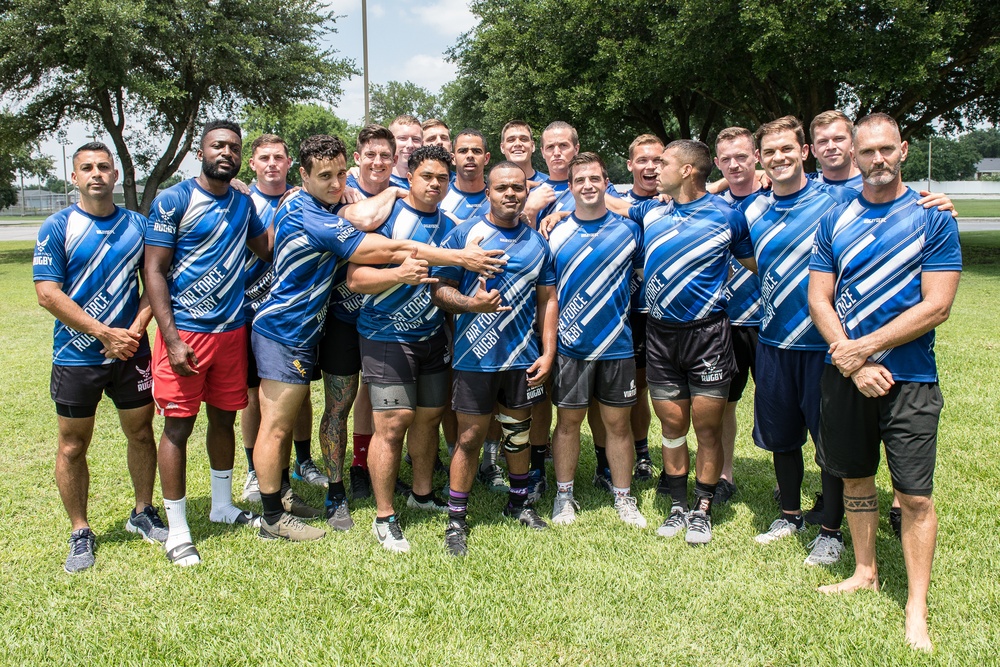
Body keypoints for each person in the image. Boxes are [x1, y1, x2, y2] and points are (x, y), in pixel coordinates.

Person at [252, 138, 504, 543]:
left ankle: (281, 498)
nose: (336, 184)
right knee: (279, 426)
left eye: (339, 175)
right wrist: (454, 259)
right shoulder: (312, 213)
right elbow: (388, 250)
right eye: (325, 177)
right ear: (302, 177)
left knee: (313, 417)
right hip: (285, 329)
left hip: (313, 328)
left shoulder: (323, 206)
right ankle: (274, 516)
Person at [809, 112, 961, 652]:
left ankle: (916, 606)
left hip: (911, 377)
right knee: (854, 479)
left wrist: (864, 350)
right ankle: (865, 570)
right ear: (853, 152)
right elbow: (819, 298)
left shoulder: (932, 217)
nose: (876, 159)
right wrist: (850, 362)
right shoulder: (834, 219)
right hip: (847, 374)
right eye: (866, 150)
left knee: (915, 497)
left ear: (902, 151)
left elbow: (938, 306)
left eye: (886, 150)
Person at [348, 145, 506, 552]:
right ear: (410, 177)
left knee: (429, 417)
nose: (434, 184)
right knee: (394, 422)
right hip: (386, 335)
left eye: (441, 178)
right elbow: (355, 279)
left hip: (433, 337)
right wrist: (398, 274)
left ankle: (421, 493)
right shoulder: (389, 219)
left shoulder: (453, 225)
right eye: (426, 176)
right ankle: (385, 517)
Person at [144, 119, 273, 566]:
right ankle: (177, 530)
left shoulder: (242, 203)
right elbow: (154, 271)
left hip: (232, 332)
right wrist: (172, 339)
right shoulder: (174, 200)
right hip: (187, 335)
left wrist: (302, 208)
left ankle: (221, 506)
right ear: (201, 152)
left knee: (224, 421)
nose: (226, 152)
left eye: (234, 147)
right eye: (218, 145)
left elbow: (269, 249)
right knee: (178, 427)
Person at [34, 141, 165, 573]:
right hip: (76, 355)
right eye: (87, 167)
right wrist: (102, 332)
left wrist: (135, 328)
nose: (96, 174)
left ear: (115, 175)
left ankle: (143, 511)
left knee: (142, 433)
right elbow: (47, 294)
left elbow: (156, 280)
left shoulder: (139, 225)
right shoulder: (57, 226)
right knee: (73, 445)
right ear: (74, 177)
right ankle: (80, 530)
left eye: (103, 167)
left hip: (131, 350)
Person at [619, 140, 756, 544]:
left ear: (688, 171)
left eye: (664, 162)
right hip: (661, 336)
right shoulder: (651, 211)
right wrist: (556, 210)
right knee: (673, 425)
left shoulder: (728, 217)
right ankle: (677, 506)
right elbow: (610, 205)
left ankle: (702, 509)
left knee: (708, 428)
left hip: (709, 335)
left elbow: (756, 263)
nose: (654, 169)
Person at [431, 161, 558, 555]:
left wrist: (549, 351)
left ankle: (518, 504)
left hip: (521, 358)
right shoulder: (464, 234)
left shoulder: (538, 243)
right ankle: (455, 521)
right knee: (469, 438)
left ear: (526, 191)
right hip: (474, 359)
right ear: (487, 191)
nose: (510, 194)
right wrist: (472, 304)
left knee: (517, 437)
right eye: (502, 188)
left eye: (517, 188)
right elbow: (439, 291)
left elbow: (548, 298)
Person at [547, 152, 645, 529]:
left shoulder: (630, 230)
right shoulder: (554, 231)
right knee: (568, 423)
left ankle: (623, 497)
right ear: (569, 187)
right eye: (579, 180)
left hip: (618, 344)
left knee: (619, 427)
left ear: (607, 183)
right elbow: (549, 294)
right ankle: (564, 495)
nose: (587, 185)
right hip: (571, 346)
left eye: (594, 178)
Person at [240, 134, 326, 506]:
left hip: (293, 316)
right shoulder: (242, 199)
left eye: (278, 157)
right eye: (264, 158)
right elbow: (267, 247)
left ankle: (303, 461)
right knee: (252, 397)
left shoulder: (305, 196)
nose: (272, 163)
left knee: (298, 389)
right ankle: (252, 472)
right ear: (253, 163)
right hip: (247, 309)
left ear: (291, 163)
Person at [711, 127, 763, 504]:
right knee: (723, 403)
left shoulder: (778, 197)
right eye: (726, 158)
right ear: (716, 163)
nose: (734, 164)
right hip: (724, 322)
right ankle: (725, 474)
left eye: (742, 156)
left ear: (756, 156)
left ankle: (784, 479)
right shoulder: (713, 205)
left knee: (778, 402)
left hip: (769, 322)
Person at [620, 134, 665, 482]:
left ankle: (673, 454)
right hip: (630, 313)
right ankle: (641, 454)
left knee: (669, 389)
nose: (650, 167)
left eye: (657, 160)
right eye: (643, 160)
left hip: (670, 314)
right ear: (630, 164)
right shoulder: (616, 204)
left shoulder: (677, 200)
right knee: (636, 389)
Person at [440, 129, 491, 224]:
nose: (470, 155)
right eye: (463, 151)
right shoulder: (439, 197)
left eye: (476, 151)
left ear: (486, 158)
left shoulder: (499, 197)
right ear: (453, 159)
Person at [808, 110, 863, 190]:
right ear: (814, 150)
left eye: (838, 139)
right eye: (823, 141)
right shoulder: (806, 191)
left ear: (853, 143)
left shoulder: (874, 186)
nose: (831, 147)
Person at [499, 120, 548, 184]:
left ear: (532, 146)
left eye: (524, 139)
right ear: (502, 148)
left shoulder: (549, 185)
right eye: (511, 140)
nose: (518, 144)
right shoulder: (494, 187)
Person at [388, 114, 423, 189]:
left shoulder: (429, 181)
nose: (410, 145)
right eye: (402, 138)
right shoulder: (378, 180)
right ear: (390, 142)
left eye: (415, 139)